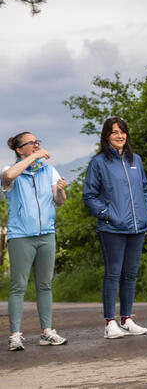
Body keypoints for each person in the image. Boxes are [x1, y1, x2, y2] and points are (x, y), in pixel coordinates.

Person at [83, 117, 147, 339]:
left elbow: (144, 190)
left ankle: (126, 320)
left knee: (130, 274)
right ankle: (109, 323)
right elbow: (90, 195)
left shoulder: (137, 161)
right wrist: (106, 215)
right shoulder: (99, 163)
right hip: (112, 228)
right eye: (114, 132)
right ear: (106, 136)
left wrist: (145, 210)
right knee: (113, 274)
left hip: (136, 227)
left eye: (122, 131)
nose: (119, 136)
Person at [3, 132, 68, 351]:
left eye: (37, 142)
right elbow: (8, 175)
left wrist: (60, 191)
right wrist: (34, 156)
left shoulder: (48, 170)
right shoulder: (11, 171)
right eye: (31, 143)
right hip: (20, 236)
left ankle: (47, 332)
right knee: (18, 286)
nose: (36, 145)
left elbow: (59, 202)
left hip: (46, 234)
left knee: (45, 285)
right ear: (19, 149)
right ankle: (14, 335)